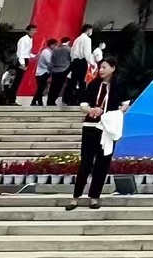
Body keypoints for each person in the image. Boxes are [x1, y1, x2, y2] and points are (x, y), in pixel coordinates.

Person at [68, 56, 130, 210]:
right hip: (91, 126)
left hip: (108, 128)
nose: (101, 70)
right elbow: (83, 105)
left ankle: (94, 197)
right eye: (100, 67)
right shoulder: (93, 84)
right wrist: (91, 109)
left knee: (102, 163)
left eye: (104, 67)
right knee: (86, 163)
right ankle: (75, 197)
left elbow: (125, 104)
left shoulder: (119, 85)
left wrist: (114, 114)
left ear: (113, 68)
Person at [66, 25, 94, 104]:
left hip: (74, 61)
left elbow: (72, 51)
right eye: (91, 30)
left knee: (73, 81)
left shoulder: (77, 39)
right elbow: (86, 52)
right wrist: (91, 62)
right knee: (82, 82)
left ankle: (71, 100)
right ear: (88, 30)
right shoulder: (87, 39)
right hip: (82, 61)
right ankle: (81, 100)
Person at [30, 38, 57, 106]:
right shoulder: (47, 52)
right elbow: (49, 64)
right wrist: (51, 73)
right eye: (55, 45)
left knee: (41, 88)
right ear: (51, 45)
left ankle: (36, 101)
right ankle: (38, 102)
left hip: (42, 72)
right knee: (41, 88)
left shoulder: (47, 51)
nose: (55, 46)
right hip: (43, 72)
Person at [48, 38, 73, 106]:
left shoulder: (55, 49)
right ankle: (54, 101)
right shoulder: (69, 49)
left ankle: (50, 101)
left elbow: (52, 60)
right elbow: (71, 59)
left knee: (53, 87)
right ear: (68, 42)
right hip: (64, 70)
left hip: (55, 70)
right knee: (59, 87)